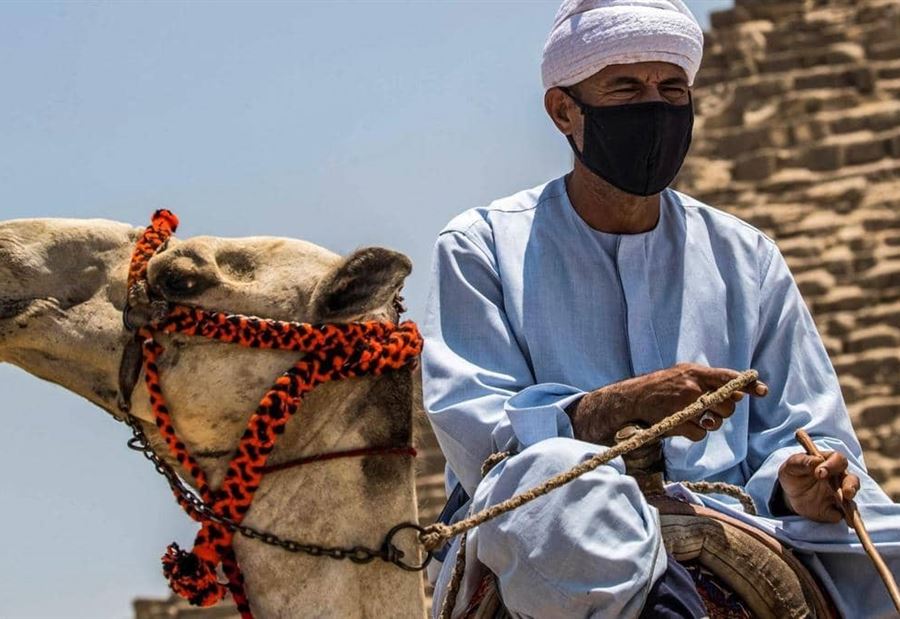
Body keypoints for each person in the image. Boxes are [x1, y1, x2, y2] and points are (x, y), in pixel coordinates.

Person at [420, 1, 900, 617]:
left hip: (729, 512)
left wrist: (800, 478)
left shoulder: (745, 258)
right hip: (562, 522)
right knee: (557, 485)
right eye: (625, 88)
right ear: (563, 110)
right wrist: (616, 406)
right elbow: (480, 434)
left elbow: (805, 424)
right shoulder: (481, 247)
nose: (655, 106)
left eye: (672, 88)